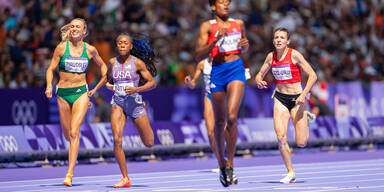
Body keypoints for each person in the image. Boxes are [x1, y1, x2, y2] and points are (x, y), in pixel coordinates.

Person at [45, 18, 107, 187]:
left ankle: (69, 174)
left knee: (74, 132)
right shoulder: (61, 48)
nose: (74, 28)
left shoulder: (91, 50)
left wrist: (104, 77)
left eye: (77, 26)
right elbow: (50, 69)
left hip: (81, 92)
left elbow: (102, 65)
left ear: (84, 31)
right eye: (72, 26)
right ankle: (70, 161)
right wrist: (49, 85)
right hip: (63, 94)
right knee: (67, 134)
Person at [195, 0, 249, 187]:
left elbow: (244, 48)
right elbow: (198, 55)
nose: (226, 4)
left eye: (228, 1)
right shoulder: (207, 27)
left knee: (232, 117)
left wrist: (245, 46)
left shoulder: (239, 23)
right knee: (219, 122)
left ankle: (231, 164)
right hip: (217, 70)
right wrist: (215, 40)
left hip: (236, 68)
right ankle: (221, 165)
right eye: (221, 2)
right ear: (212, 7)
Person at [255, 28, 317, 184]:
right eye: (276, 37)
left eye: (282, 37)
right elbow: (259, 73)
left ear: (287, 41)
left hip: (298, 100)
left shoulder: (294, 55)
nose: (278, 40)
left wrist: (303, 95)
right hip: (280, 98)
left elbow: (313, 75)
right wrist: (258, 79)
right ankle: (290, 172)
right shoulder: (271, 56)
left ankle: (306, 117)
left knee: (301, 142)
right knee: (281, 137)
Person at [105, 33, 156, 188]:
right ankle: (125, 177)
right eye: (119, 43)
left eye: (125, 43)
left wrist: (136, 89)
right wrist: (109, 85)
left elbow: (152, 82)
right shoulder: (112, 62)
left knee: (149, 143)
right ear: (116, 45)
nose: (122, 45)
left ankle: (142, 110)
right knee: (117, 139)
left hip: (134, 103)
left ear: (130, 47)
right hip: (118, 103)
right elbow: (107, 80)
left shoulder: (138, 63)